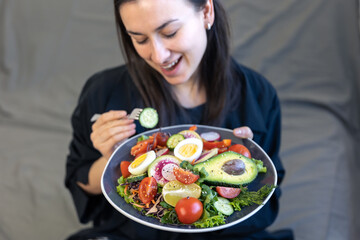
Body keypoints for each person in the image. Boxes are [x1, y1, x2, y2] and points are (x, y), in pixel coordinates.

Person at [65, 0, 293, 239]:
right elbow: (82, 183)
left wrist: (251, 161)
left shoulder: (257, 94)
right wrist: (110, 159)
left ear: (206, 12)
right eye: (140, 39)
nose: (158, 55)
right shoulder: (103, 91)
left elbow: (267, 195)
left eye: (170, 33)